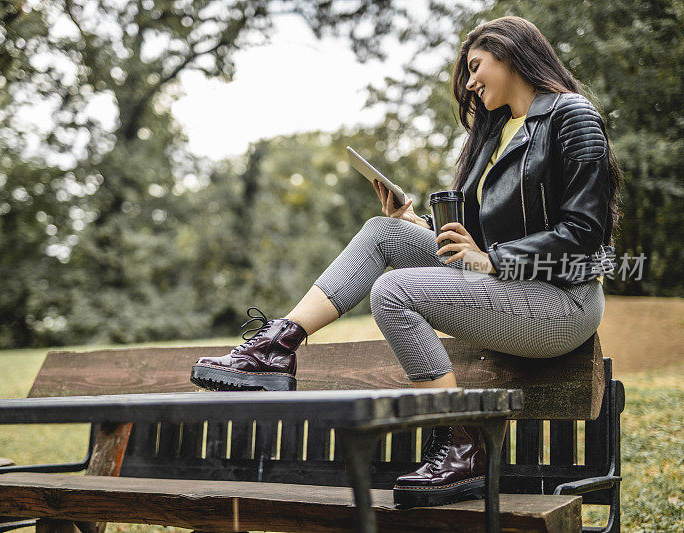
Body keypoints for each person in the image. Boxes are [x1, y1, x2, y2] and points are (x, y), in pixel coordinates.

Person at [191, 15, 620, 508]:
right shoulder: (496, 132)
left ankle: (463, 443)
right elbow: (473, 241)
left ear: (509, 53)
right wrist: (418, 225)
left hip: (561, 301)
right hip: (505, 280)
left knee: (394, 292)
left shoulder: (572, 116)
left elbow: (585, 234)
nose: (471, 82)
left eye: (476, 67)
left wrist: (491, 259)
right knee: (384, 233)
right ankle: (276, 344)